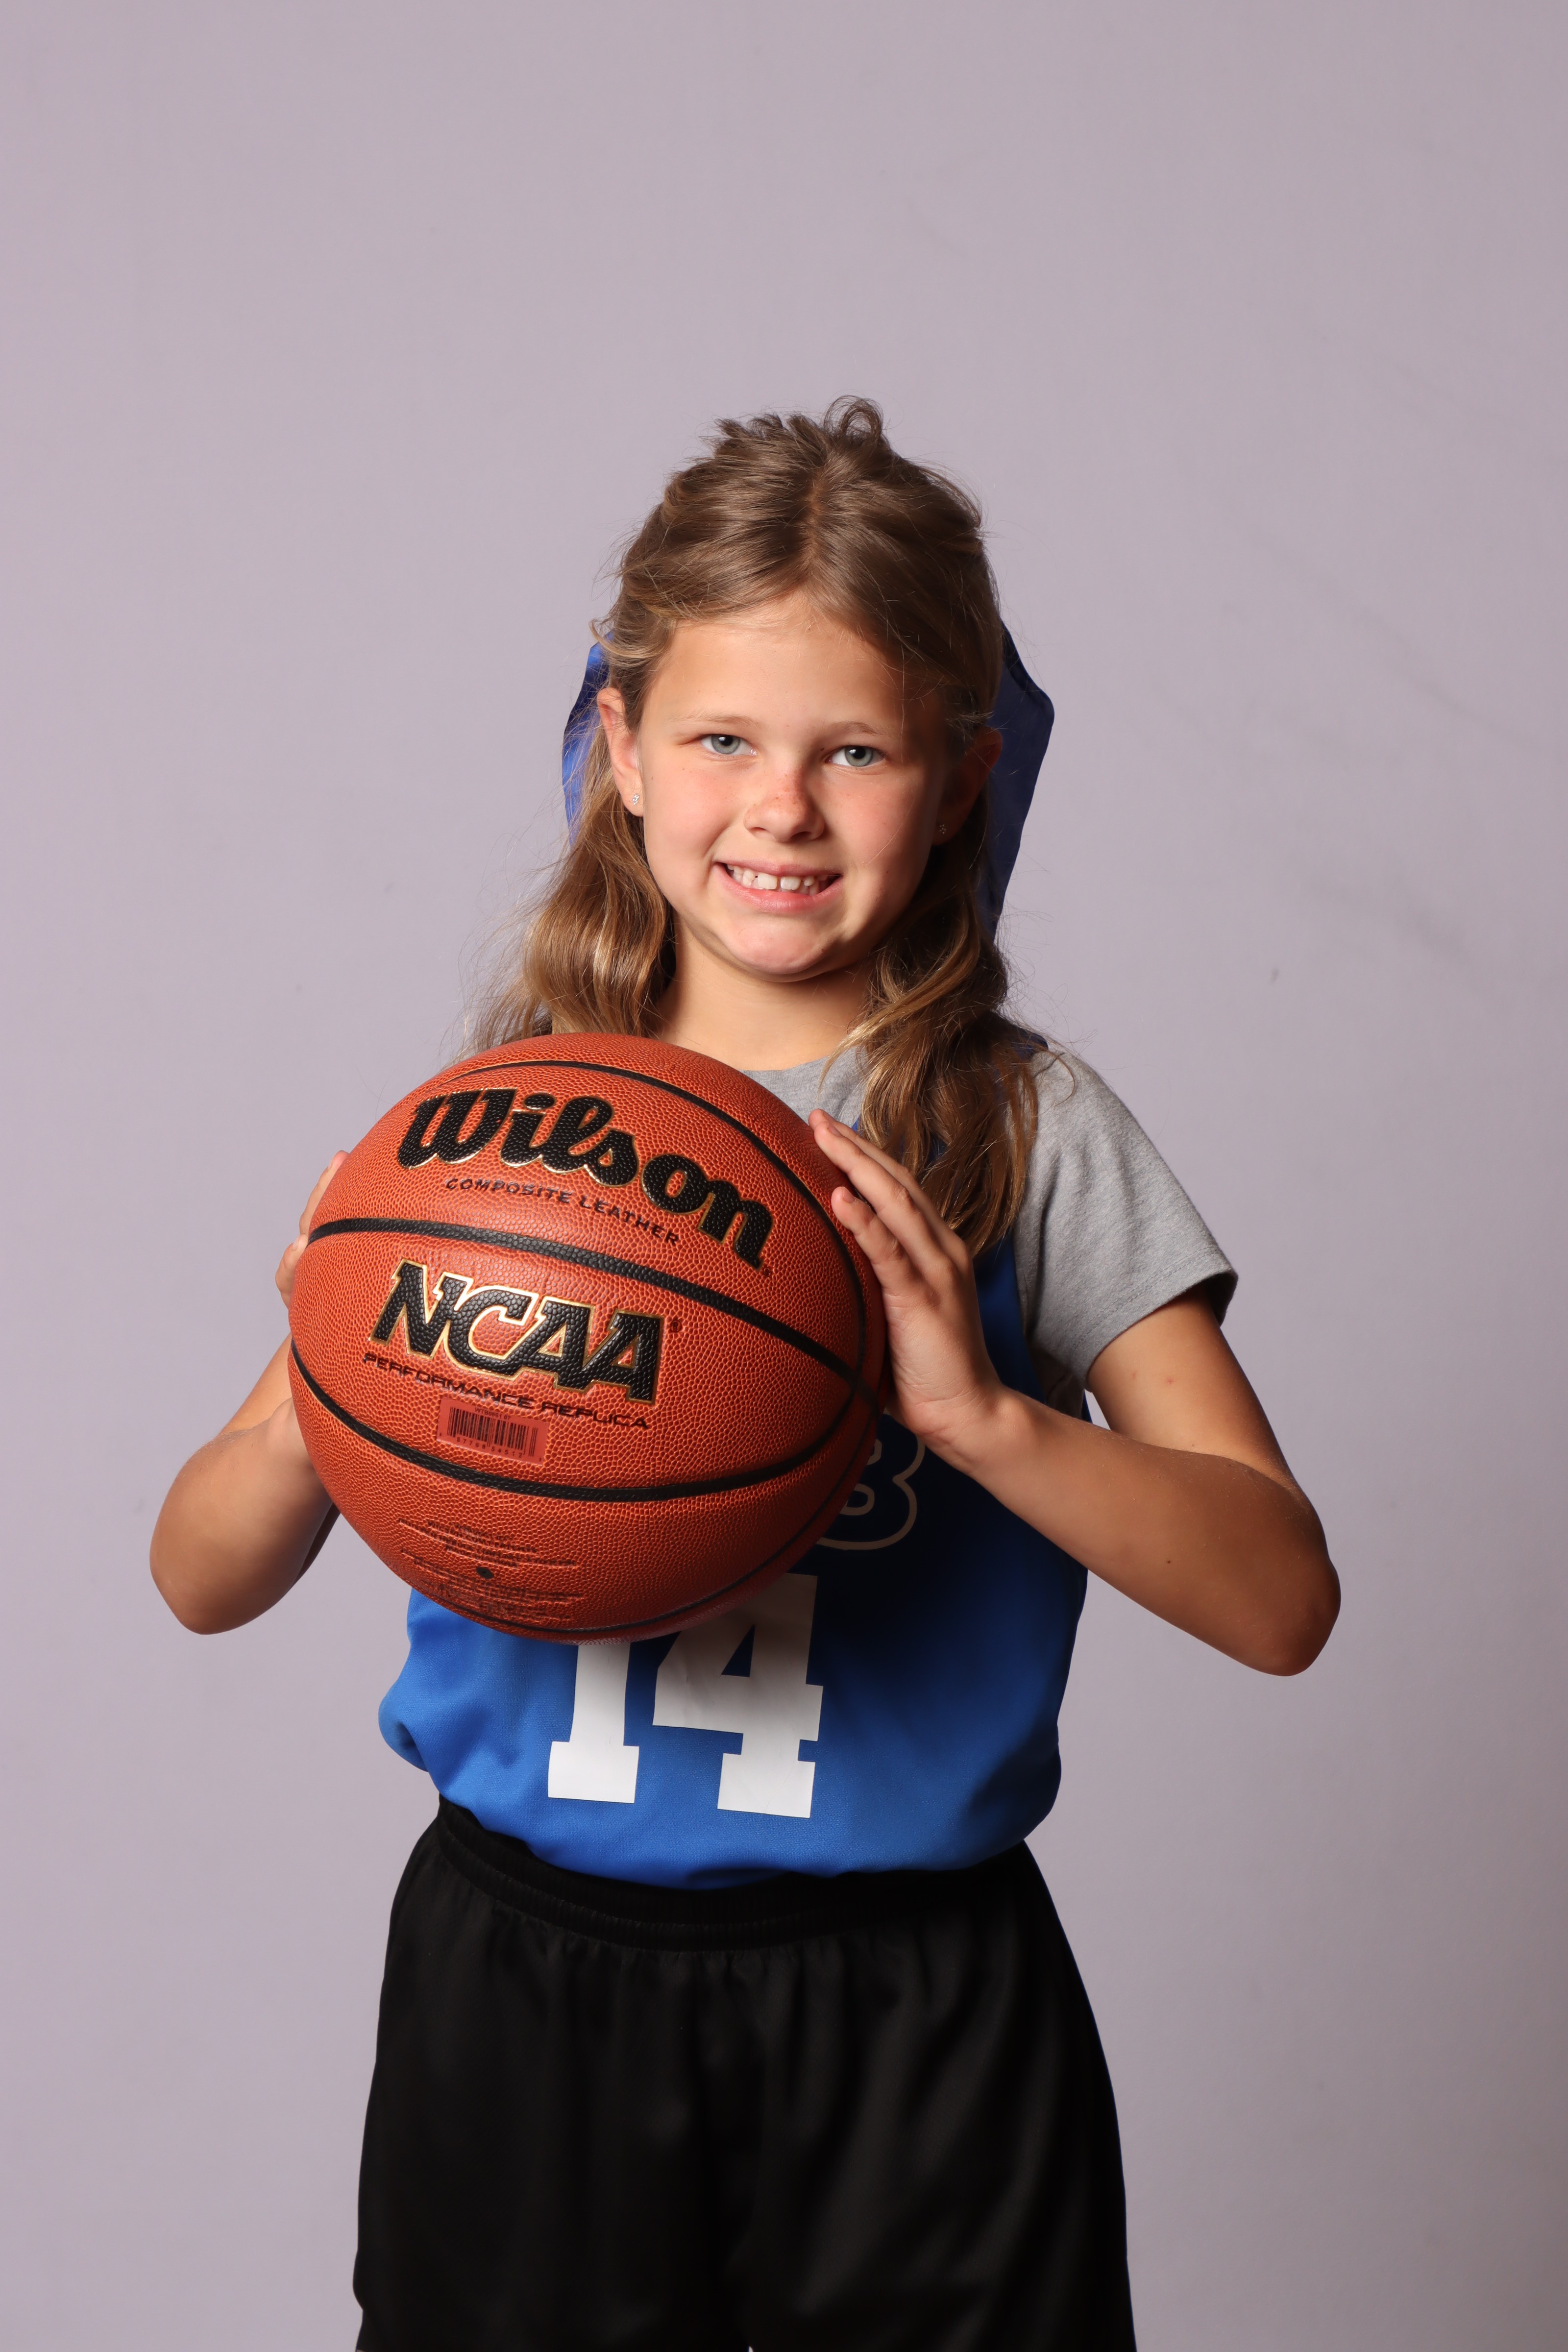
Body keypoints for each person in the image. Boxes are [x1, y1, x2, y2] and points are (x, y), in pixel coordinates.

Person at [151, 398, 1340, 2352]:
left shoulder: (1023, 1134)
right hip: (525, 1978)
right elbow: (199, 1578)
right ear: (620, 750)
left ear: (959, 778)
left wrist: (982, 1421)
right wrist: (324, 1379)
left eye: (852, 750)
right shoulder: (487, 1145)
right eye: (720, 740)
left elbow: (1280, 1600)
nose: (779, 808)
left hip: (911, 2003)